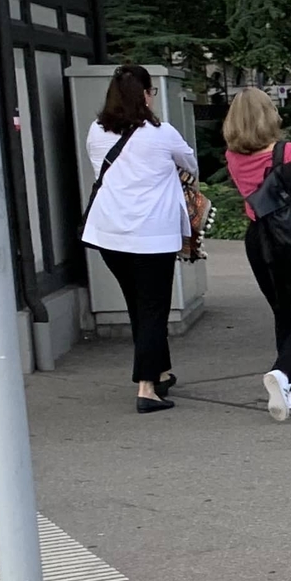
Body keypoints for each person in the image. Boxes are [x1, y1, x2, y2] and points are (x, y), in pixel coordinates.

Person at [81, 64, 198, 414]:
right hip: (152, 236)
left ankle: (159, 371)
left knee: (140, 307)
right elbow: (190, 166)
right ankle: (147, 387)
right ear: (146, 95)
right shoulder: (162, 134)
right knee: (153, 309)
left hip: (109, 234)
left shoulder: (96, 131)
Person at [220, 88, 291, 419]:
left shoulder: (232, 156)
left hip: (257, 239)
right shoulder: (285, 150)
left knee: (283, 312)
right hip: (290, 238)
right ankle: (280, 373)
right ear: (269, 114)